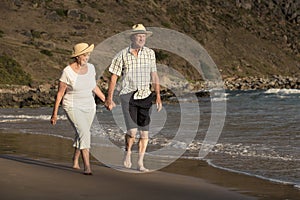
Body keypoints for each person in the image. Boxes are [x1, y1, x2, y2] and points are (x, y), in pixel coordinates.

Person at [105, 24, 162, 172]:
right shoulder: (122, 55)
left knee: (145, 133)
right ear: (132, 37)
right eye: (138, 35)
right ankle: (128, 152)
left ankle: (141, 163)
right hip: (128, 96)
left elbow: (154, 75)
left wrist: (158, 96)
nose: (142, 38)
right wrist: (109, 98)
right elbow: (114, 77)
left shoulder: (150, 53)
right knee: (132, 132)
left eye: (143, 35)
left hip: (146, 96)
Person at [50, 42, 105, 175]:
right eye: (85, 55)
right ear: (77, 57)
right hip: (72, 106)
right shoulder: (67, 72)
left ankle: (75, 160)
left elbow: (94, 86)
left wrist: (105, 100)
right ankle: (87, 166)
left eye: (88, 55)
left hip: (90, 106)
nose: (87, 57)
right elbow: (60, 93)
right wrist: (55, 113)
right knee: (85, 133)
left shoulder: (91, 68)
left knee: (81, 133)